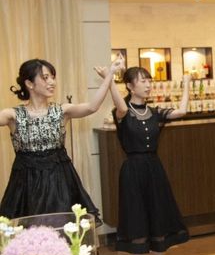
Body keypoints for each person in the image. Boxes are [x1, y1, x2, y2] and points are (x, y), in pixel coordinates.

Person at [102, 66, 191, 255]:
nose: (148, 85)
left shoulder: (154, 112)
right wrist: (110, 79)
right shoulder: (122, 111)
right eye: (142, 81)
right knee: (138, 230)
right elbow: (121, 106)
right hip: (133, 173)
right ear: (130, 86)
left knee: (159, 229)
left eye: (149, 80)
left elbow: (182, 111)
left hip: (154, 172)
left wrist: (186, 83)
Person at [0, 55, 125, 221]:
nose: (52, 82)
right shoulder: (12, 115)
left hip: (59, 180)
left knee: (61, 225)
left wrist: (110, 74)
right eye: (45, 78)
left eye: (53, 77)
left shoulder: (61, 111)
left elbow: (92, 107)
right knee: (29, 228)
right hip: (26, 183)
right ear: (29, 84)